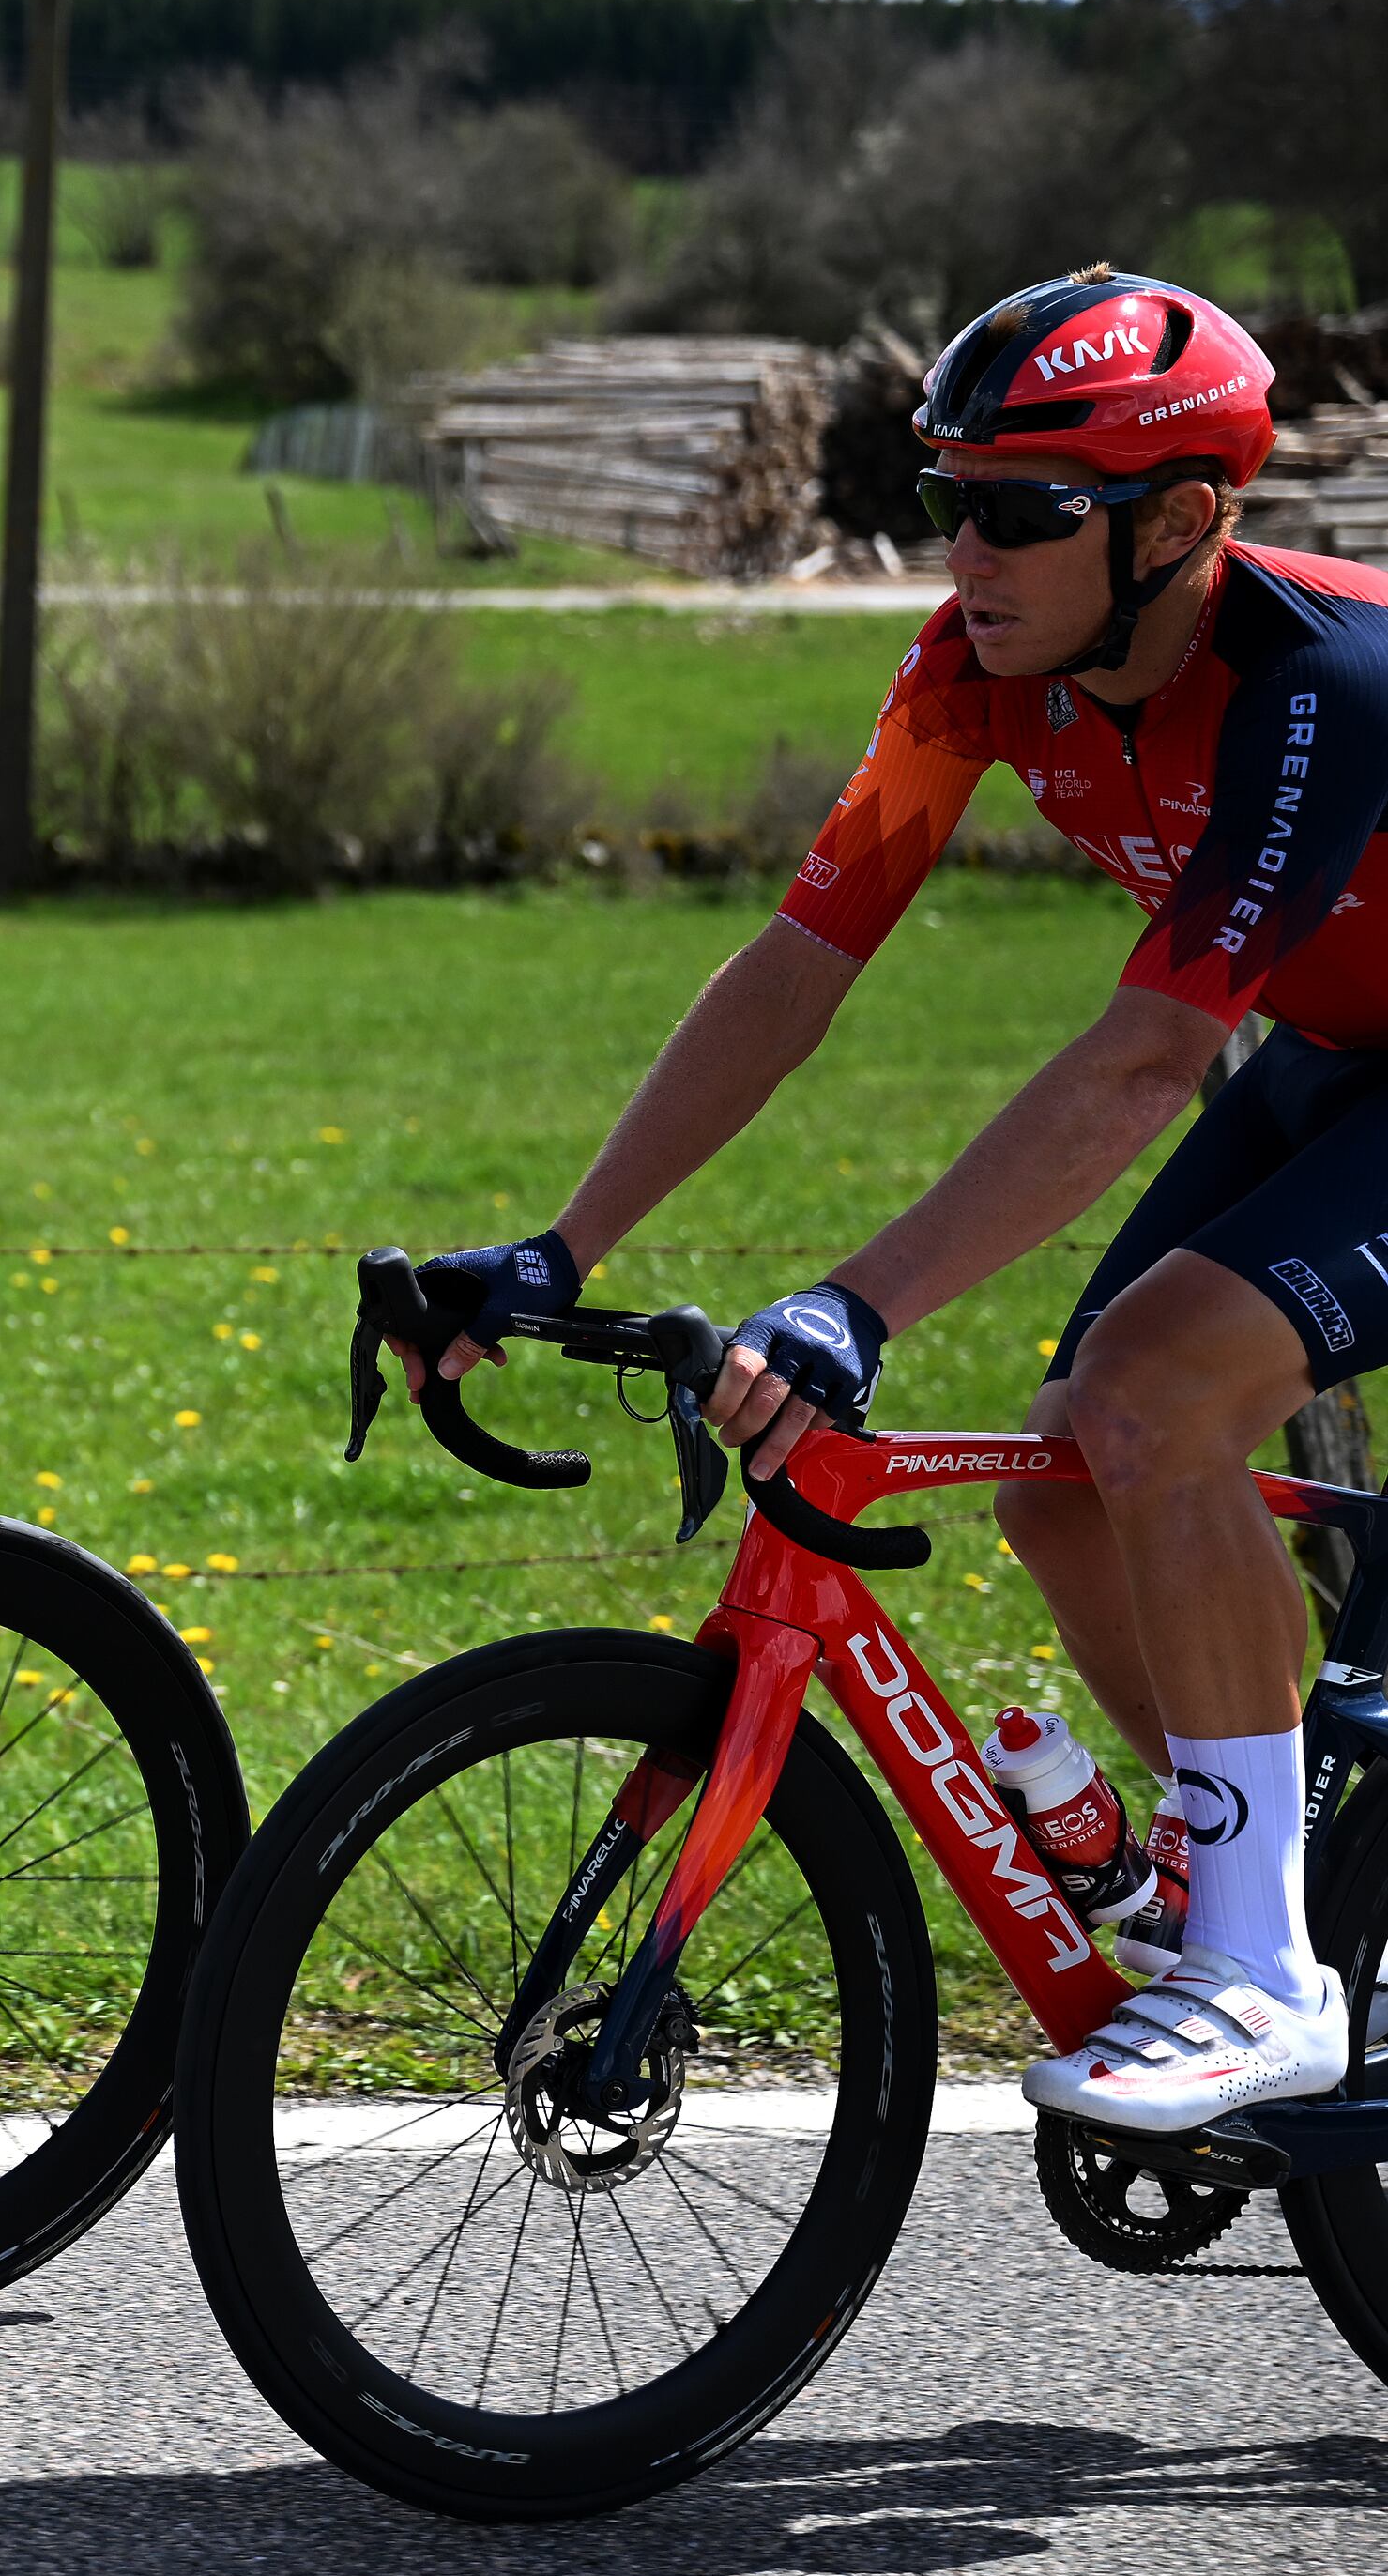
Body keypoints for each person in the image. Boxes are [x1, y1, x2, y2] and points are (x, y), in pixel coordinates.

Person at [421, 265, 1388, 2137]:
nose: (965, 548)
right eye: (949, 497)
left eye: (1020, 510)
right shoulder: (967, 672)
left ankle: (1260, 1972)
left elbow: (1132, 1061)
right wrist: (567, 1242)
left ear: (1182, 521)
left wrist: (855, 1301)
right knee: (1064, 1482)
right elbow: (799, 963)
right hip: (1340, 1046)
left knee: (1149, 1390)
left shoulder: (1311, 683)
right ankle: (1239, 1871)